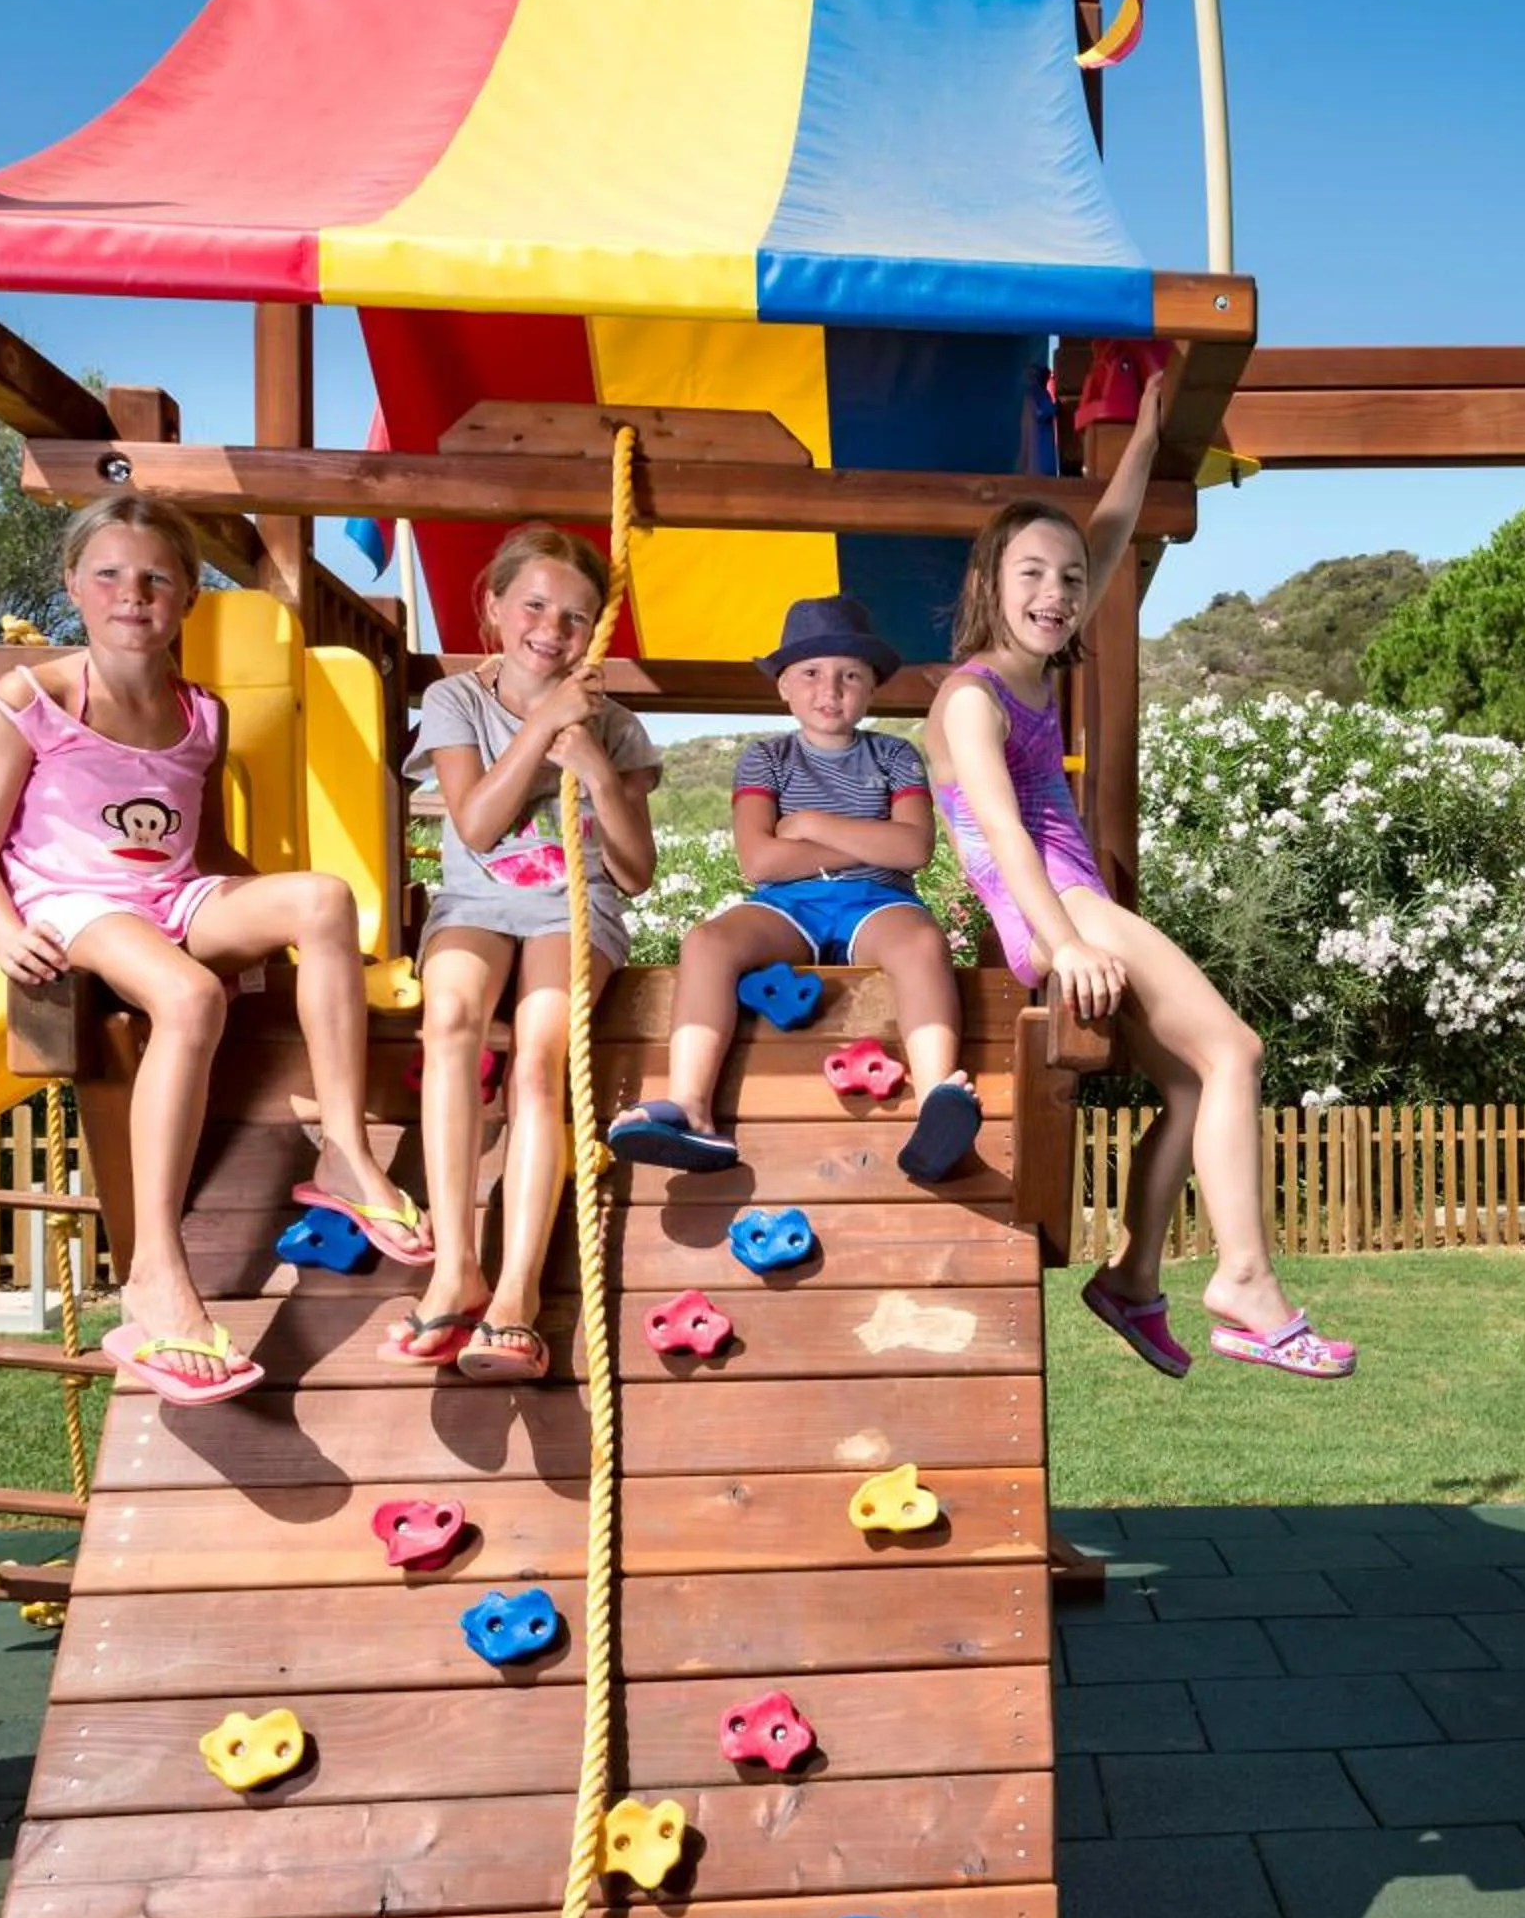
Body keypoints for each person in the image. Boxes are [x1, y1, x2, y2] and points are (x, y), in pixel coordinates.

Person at [0, 495, 425, 1407]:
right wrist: (5, 935)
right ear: (74, 588)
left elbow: (202, 857)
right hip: (76, 904)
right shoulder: (33, 700)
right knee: (191, 999)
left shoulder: (200, 714)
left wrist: (274, 928)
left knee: (324, 897)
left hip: (172, 894)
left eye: (158, 577)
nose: (135, 594)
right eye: (111, 576)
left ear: (189, 597)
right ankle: (156, 1275)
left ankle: (344, 1157)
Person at [923, 371, 1354, 1380]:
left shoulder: (1037, 666)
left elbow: (1110, 532)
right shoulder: (971, 699)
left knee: (1196, 1085)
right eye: (1033, 573)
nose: (1058, 594)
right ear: (991, 581)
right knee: (1237, 1052)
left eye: (1070, 581)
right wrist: (1068, 940)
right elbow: (999, 832)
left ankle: (1132, 1276)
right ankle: (1245, 1281)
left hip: (1077, 907)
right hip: (1059, 908)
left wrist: (1150, 429)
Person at [389, 525, 659, 1382]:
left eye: (577, 617)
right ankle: (455, 1264)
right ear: (495, 609)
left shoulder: (614, 728)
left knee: (541, 1061)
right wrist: (544, 722)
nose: (553, 628)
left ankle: (517, 1292)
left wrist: (594, 764)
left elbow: (637, 871)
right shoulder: (455, 703)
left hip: (572, 907)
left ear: (595, 634)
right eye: (535, 605)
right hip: (477, 901)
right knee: (452, 1021)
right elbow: (474, 824)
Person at [607, 597, 983, 1183]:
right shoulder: (766, 759)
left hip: (878, 903)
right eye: (810, 674)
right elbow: (761, 859)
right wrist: (867, 840)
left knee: (921, 945)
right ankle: (690, 1106)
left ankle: (938, 1101)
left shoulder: (895, 756)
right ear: (783, 686)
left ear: (872, 689)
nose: (829, 689)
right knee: (707, 942)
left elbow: (913, 850)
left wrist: (809, 825)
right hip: (788, 907)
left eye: (850, 676)